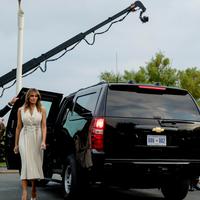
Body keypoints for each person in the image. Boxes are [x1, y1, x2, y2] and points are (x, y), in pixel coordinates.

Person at [13, 88, 47, 200]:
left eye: (35, 96)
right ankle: (24, 193)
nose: (33, 98)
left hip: (37, 138)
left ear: (38, 97)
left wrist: (43, 141)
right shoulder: (20, 110)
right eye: (31, 96)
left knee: (35, 165)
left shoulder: (42, 109)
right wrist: (16, 144)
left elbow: (44, 126)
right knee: (26, 164)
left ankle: (33, 189)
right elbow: (18, 127)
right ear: (28, 97)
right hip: (25, 137)